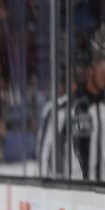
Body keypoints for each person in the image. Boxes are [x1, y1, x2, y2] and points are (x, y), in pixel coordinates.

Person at [37, 42, 105, 181]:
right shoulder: (61, 110)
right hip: (74, 197)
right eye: (101, 65)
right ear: (89, 70)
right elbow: (44, 158)